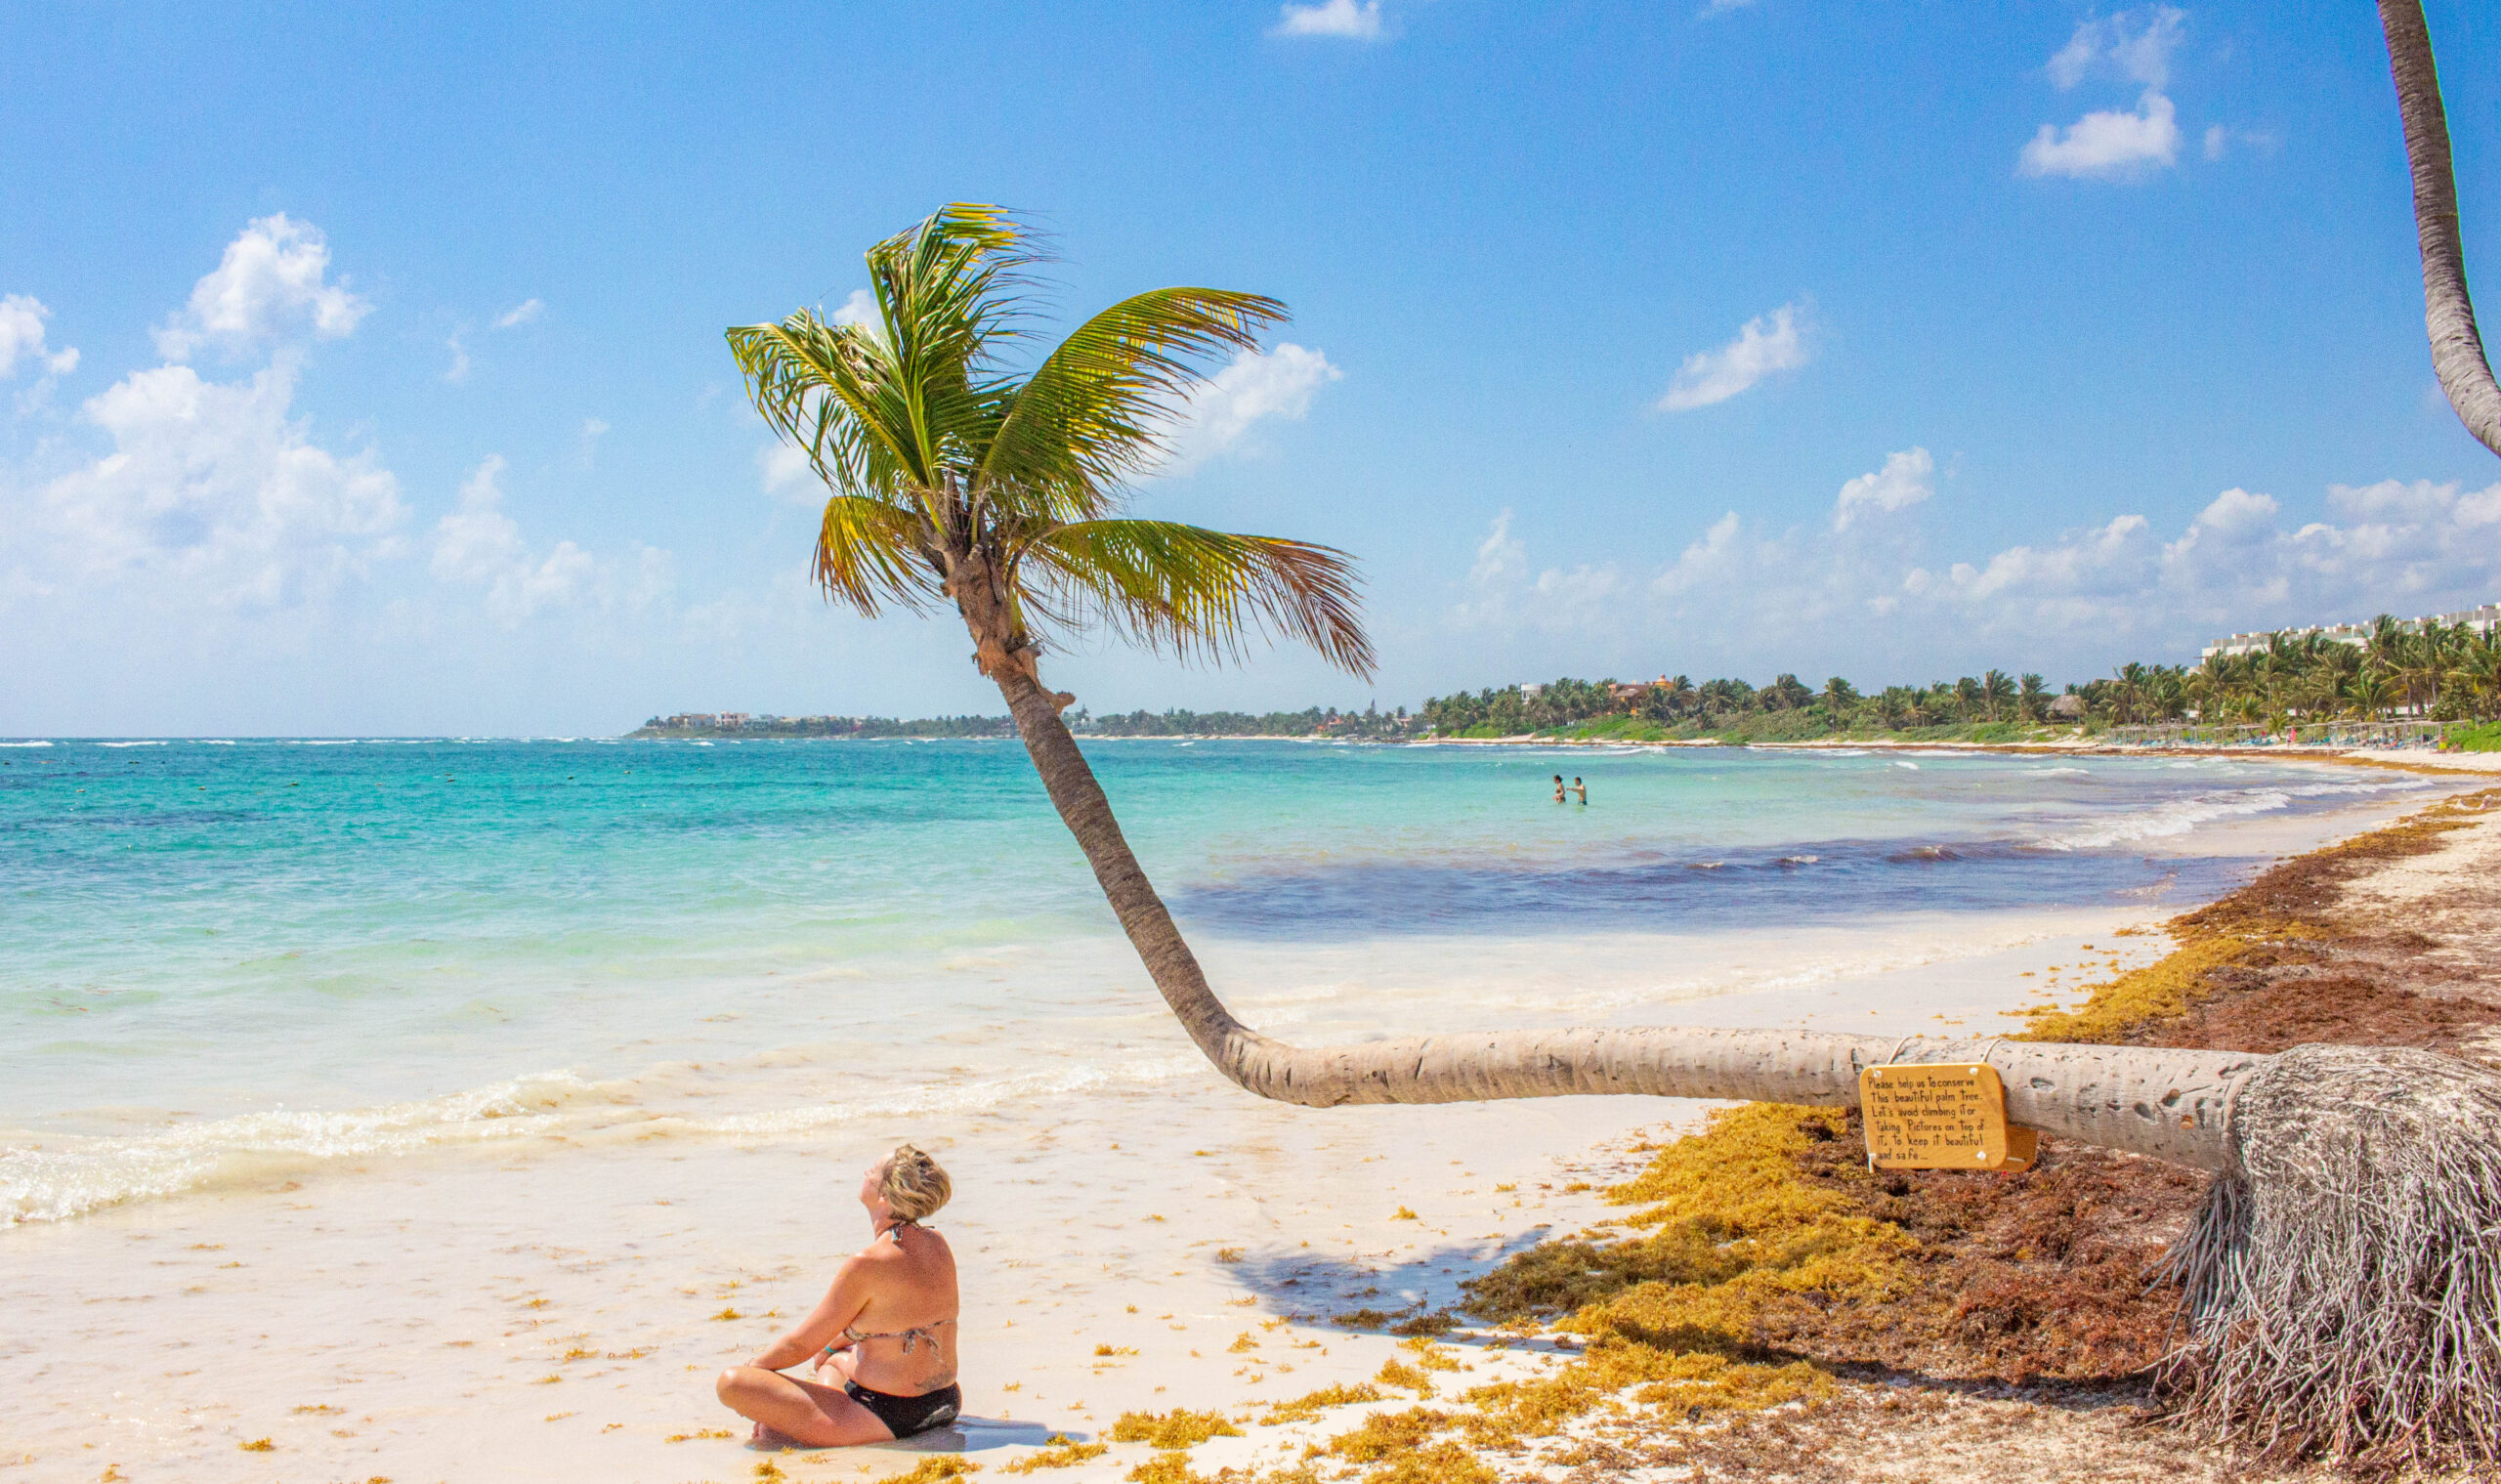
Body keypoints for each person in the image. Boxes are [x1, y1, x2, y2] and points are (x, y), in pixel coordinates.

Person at [715, 1145, 963, 1447]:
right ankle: (806, 1419)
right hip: (945, 1401)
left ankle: (800, 1426)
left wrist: (755, 1376)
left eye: (872, 1171)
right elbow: (901, 1319)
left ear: (884, 1197)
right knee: (832, 1361)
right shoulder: (937, 1242)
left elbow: (800, 1344)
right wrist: (832, 1349)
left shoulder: (868, 1262)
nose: (866, 1173)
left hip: (892, 1414)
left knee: (732, 1383)